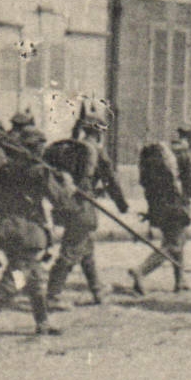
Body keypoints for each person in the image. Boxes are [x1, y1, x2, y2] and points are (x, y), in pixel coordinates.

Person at [0, 114, 72, 343]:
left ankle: (42, 323)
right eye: (40, 146)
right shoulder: (38, 171)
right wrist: (66, 184)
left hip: (8, 227)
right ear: (35, 148)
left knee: (35, 277)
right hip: (26, 232)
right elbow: (61, 201)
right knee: (15, 279)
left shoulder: (7, 167)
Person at [43, 103, 130, 308]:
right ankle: (52, 297)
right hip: (83, 208)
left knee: (86, 249)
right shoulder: (96, 152)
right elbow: (111, 180)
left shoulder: (70, 147)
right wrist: (122, 204)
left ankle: (98, 291)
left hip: (69, 205)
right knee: (70, 251)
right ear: (99, 133)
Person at [127, 122, 191, 295]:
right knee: (173, 244)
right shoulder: (184, 154)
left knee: (178, 240)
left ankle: (180, 280)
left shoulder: (167, 150)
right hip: (176, 205)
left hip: (159, 204)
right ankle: (141, 271)